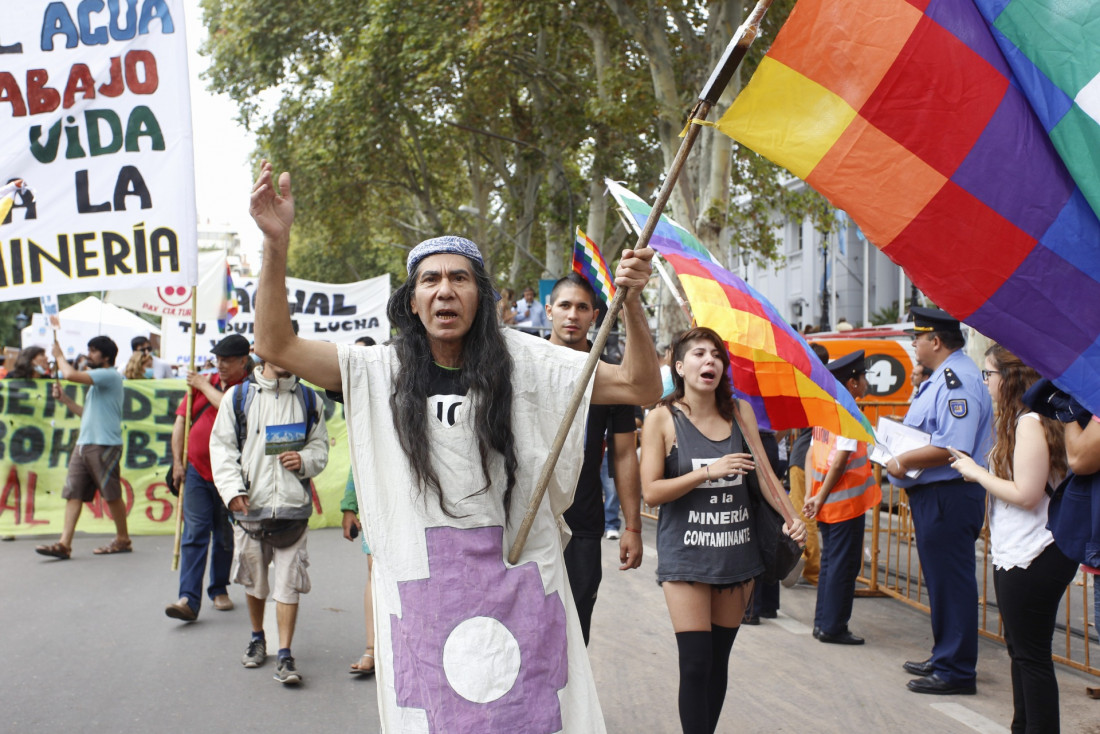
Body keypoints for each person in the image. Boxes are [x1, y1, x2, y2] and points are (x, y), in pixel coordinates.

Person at [248, 160, 661, 730]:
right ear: (412, 301)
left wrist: (633, 304)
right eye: (430, 280)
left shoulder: (531, 363)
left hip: (522, 578)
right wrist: (276, 244)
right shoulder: (375, 369)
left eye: (460, 278)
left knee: (531, 715)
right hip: (426, 590)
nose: (445, 290)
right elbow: (273, 342)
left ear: (482, 296)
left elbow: (642, 385)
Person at [639, 326, 806, 734]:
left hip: (737, 555)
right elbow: (651, 492)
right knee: (695, 663)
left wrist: (791, 515)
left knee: (717, 661)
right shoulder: (662, 417)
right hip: (686, 556)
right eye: (698, 354)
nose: (709, 361)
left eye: (716, 354)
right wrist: (708, 472)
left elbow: (764, 476)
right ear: (679, 366)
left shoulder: (740, 413)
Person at [949, 345, 1076, 731]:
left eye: (988, 375)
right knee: (1021, 651)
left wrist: (975, 471)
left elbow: (1026, 493)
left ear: (1010, 378)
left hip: (1035, 550)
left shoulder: (1030, 421)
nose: (985, 383)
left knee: (1030, 656)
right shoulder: (1029, 419)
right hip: (1026, 548)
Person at [886, 307, 993, 696]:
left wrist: (900, 461)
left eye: (917, 336)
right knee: (941, 582)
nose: (913, 342)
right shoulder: (940, 379)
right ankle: (945, 654)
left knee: (952, 581)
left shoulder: (955, 381)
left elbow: (953, 447)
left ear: (935, 340)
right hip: (936, 494)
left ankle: (956, 670)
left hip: (949, 493)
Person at [210, 358, 328, 685]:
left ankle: (286, 654)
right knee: (255, 581)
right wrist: (232, 490)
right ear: (264, 354)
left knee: (288, 583)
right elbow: (221, 449)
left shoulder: (309, 399)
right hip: (251, 509)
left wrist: (304, 459)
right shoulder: (238, 398)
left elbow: (320, 447)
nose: (288, 358)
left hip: (292, 509)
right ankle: (257, 636)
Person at [544, 272, 644, 645]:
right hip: (525, 519)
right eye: (565, 306)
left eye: (582, 307)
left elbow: (623, 455)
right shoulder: (522, 364)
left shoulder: (611, 377)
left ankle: (573, 706)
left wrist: (632, 526)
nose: (573, 315)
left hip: (583, 525)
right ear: (549, 309)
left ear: (595, 315)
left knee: (574, 633)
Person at [164, 334, 253, 622]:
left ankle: (219, 588)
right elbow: (181, 422)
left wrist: (202, 384)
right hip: (197, 471)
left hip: (231, 474)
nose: (221, 365)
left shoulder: (249, 388)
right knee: (195, 533)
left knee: (224, 535)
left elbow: (234, 409)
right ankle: (188, 598)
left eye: (227, 360)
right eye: (218, 359)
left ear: (243, 360)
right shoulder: (204, 385)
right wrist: (177, 461)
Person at [803, 350, 881, 645]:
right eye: (863, 378)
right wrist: (819, 497)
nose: (865, 383)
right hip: (844, 504)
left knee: (830, 563)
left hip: (826, 502)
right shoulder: (849, 413)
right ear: (852, 383)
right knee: (843, 566)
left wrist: (814, 495)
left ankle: (822, 622)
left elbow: (813, 453)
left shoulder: (826, 409)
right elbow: (840, 461)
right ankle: (834, 627)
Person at [35, 337, 130, 559]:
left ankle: (123, 538)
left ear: (106, 357)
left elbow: (69, 374)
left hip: (103, 444)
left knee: (111, 493)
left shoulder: (109, 375)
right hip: (85, 444)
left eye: (93, 351)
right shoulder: (100, 382)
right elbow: (87, 414)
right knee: (74, 493)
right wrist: (66, 400)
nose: (89, 355)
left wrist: (58, 354)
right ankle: (64, 544)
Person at [784, 342, 830, 587]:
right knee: (805, 512)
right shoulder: (828, 386)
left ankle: (811, 568)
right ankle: (809, 566)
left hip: (804, 457)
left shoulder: (809, 385)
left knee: (803, 514)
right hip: (814, 457)